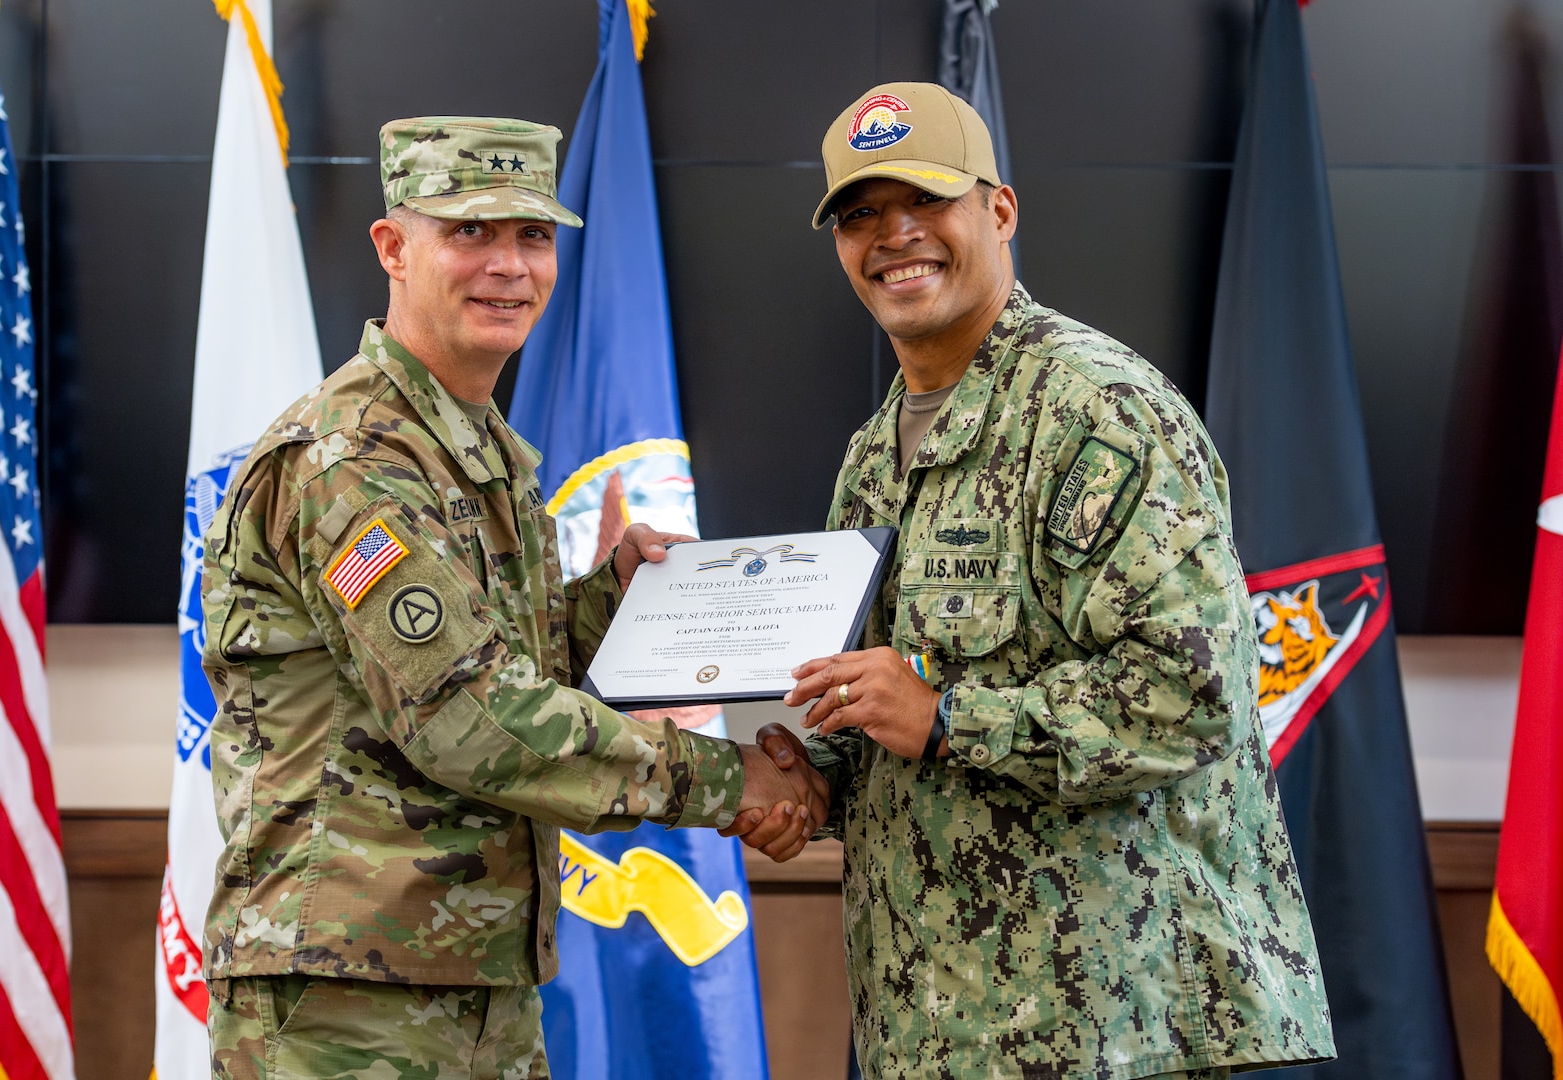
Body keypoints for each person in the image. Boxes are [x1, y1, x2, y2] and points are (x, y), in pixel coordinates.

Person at [726, 83, 1336, 1079]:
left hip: (1124, 1025)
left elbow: (1196, 694)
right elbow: (868, 702)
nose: (895, 237)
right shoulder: (875, 454)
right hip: (939, 1023)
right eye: (861, 214)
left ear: (998, 211)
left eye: (926, 201)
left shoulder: (1098, 413)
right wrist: (802, 781)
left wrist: (951, 717)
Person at [200, 116, 826, 1079]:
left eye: (533, 236)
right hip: (345, 998)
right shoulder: (351, 460)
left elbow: (506, 667)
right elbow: (470, 720)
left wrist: (612, 602)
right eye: (470, 232)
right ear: (393, 247)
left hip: (467, 976)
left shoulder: (482, 451)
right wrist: (736, 781)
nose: (509, 266)